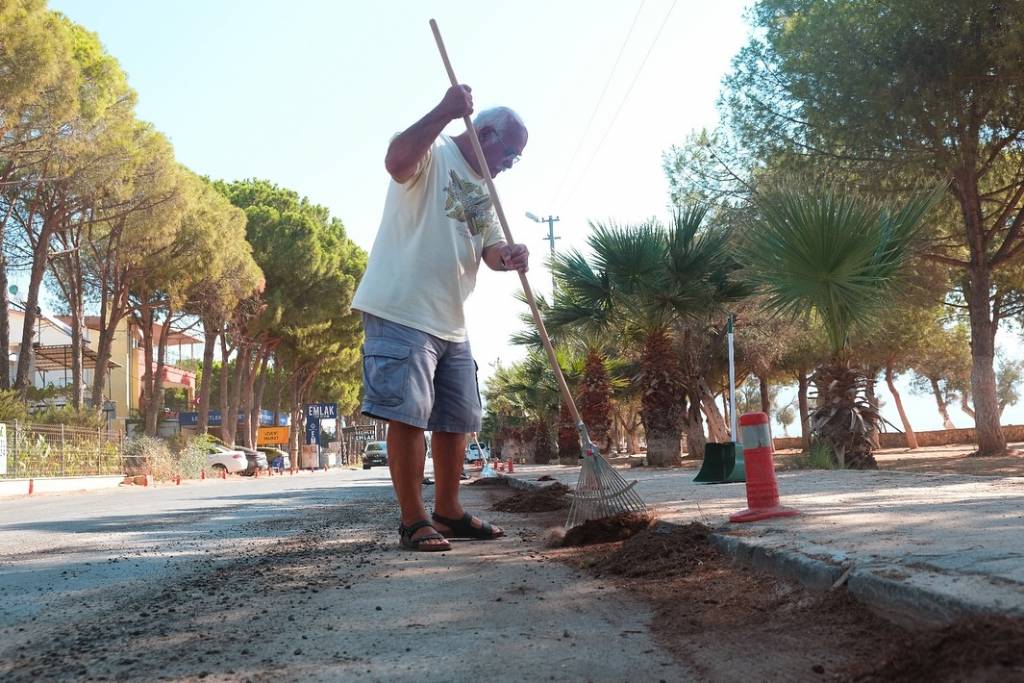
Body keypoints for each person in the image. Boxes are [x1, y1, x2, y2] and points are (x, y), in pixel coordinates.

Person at [352, 84, 529, 551]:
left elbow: (488, 248)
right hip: (401, 306)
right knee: (408, 415)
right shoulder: (435, 152)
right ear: (485, 132)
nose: (511, 164)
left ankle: (448, 511)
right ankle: (414, 520)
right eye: (510, 152)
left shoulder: (486, 191)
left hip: (451, 317)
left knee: (457, 417)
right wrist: (444, 112)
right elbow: (396, 161)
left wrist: (507, 254)